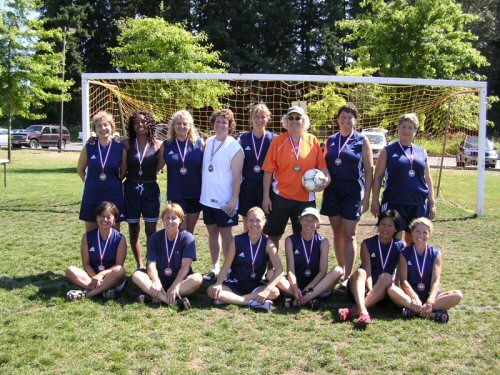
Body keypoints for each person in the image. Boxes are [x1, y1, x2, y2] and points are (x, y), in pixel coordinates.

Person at [262, 106, 330, 250]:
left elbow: (323, 168)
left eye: (297, 118)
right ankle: (270, 270)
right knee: (273, 235)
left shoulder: (313, 141)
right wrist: (265, 198)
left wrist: (326, 180)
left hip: (305, 199)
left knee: (304, 236)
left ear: (303, 121)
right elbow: (268, 171)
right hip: (281, 197)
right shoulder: (278, 141)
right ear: (286, 121)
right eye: (290, 118)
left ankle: (300, 270)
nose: (294, 121)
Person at [321, 103, 374, 282]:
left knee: (349, 234)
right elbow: (323, 165)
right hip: (332, 191)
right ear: (337, 120)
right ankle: (341, 270)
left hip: (352, 191)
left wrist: (367, 197)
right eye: (342, 116)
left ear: (355, 121)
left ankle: (349, 275)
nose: (345, 120)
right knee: (336, 232)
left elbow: (369, 170)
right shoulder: (330, 140)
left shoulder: (361, 140)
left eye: (349, 117)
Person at [371, 113, 436, 245]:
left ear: (415, 131)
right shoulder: (388, 150)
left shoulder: (421, 152)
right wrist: (375, 201)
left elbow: (428, 179)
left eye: (410, 127)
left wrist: (432, 203)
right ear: (398, 129)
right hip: (395, 201)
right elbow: (377, 177)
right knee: (393, 239)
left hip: (417, 202)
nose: (406, 130)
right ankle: (391, 265)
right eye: (403, 127)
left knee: (414, 240)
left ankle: (409, 265)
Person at [207, 207, 284, 311]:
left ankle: (233, 299)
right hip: (234, 283)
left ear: (264, 222)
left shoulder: (268, 243)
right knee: (211, 290)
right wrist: (219, 283)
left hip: (255, 284)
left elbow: (279, 270)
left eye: (258, 220)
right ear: (246, 222)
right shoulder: (237, 240)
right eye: (251, 220)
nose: (254, 224)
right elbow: (226, 266)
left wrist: (267, 289)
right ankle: (250, 301)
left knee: (274, 292)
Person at [387, 217, 463, 323]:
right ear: (412, 233)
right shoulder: (404, 253)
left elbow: (436, 281)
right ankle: (431, 314)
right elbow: (403, 281)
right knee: (391, 290)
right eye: (417, 231)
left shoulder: (436, 253)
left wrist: (430, 301)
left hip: (430, 295)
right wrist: (414, 297)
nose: (421, 235)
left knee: (458, 295)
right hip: (411, 296)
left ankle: (415, 311)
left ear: (429, 234)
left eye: (425, 232)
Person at [338, 210, 405, 327]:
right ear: (378, 225)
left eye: (390, 225)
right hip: (362, 288)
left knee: (386, 277)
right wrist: (370, 288)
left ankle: (354, 311)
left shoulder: (400, 246)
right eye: (383, 224)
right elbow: (367, 271)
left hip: (383, 291)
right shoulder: (367, 243)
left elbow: (400, 274)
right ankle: (364, 311)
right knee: (360, 272)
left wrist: (397, 295)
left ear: (396, 229)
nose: (386, 228)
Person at [199, 108, 244, 281]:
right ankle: (215, 267)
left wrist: (234, 198)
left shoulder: (235, 147)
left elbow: (236, 177)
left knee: (226, 234)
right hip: (207, 198)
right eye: (218, 121)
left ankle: (229, 268)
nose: (221, 125)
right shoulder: (208, 141)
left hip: (225, 201)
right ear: (213, 123)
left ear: (230, 125)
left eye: (224, 122)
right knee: (212, 233)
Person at [131, 203, 203, 308]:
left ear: (181, 220)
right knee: (136, 275)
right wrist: (156, 282)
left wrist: (174, 285)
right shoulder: (155, 237)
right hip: (159, 280)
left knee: (197, 278)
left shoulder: (188, 238)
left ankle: (155, 298)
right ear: (163, 220)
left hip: (180, 281)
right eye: (167, 218)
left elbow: (185, 267)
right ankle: (173, 301)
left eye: (174, 218)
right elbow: (151, 264)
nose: (170, 221)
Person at [277, 207, 343, 308]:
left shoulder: (323, 241)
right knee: (270, 274)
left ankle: (300, 300)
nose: (309, 223)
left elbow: (322, 272)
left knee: (338, 270)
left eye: (313, 220)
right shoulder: (290, 240)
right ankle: (307, 299)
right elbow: (290, 270)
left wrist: (308, 289)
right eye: (306, 219)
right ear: (300, 220)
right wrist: (295, 288)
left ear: (318, 224)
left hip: (317, 286)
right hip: (296, 286)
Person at [122, 110, 163, 270]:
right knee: (133, 229)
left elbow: (160, 167)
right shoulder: (125, 143)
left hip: (150, 189)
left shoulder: (159, 145)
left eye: (144, 122)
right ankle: (139, 264)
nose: (140, 125)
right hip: (131, 188)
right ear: (132, 125)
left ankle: (150, 263)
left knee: (151, 230)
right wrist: (93, 139)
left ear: (150, 124)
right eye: (137, 122)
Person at [66, 201, 127, 301]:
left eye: (109, 217)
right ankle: (103, 290)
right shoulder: (87, 237)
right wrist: (95, 278)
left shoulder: (120, 238)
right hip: (92, 277)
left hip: (112, 277)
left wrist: (101, 275)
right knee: (70, 270)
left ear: (114, 220)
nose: (105, 219)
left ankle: (88, 294)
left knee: (120, 270)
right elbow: (86, 264)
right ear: (97, 218)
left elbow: (118, 265)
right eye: (102, 216)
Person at [77, 111, 127, 232]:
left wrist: (112, 183)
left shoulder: (120, 148)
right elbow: (80, 169)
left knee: (114, 235)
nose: (103, 128)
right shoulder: (89, 147)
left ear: (112, 127)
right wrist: (89, 182)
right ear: (95, 129)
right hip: (92, 196)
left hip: (113, 196)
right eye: (99, 125)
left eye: (106, 125)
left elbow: (124, 172)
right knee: (91, 235)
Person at [157, 110, 204, 234]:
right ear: (173, 126)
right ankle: (178, 253)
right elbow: (158, 167)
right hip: (177, 193)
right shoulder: (166, 145)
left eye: (185, 124)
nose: (181, 126)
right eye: (178, 123)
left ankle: (188, 253)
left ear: (190, 126)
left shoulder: (199, 144)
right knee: (180, 229)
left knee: (190, 230)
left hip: (196, 193)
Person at [238, 103, 276, 231]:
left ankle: (261, 250)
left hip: (266, 186)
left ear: (268, 118)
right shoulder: (243, 139)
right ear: (251, 118)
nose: (260, 120)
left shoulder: (273, 139)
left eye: (263, 117)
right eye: (256, 116)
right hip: (247, 185)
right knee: (248, 224)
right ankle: (249, 249)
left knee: (264, 224)